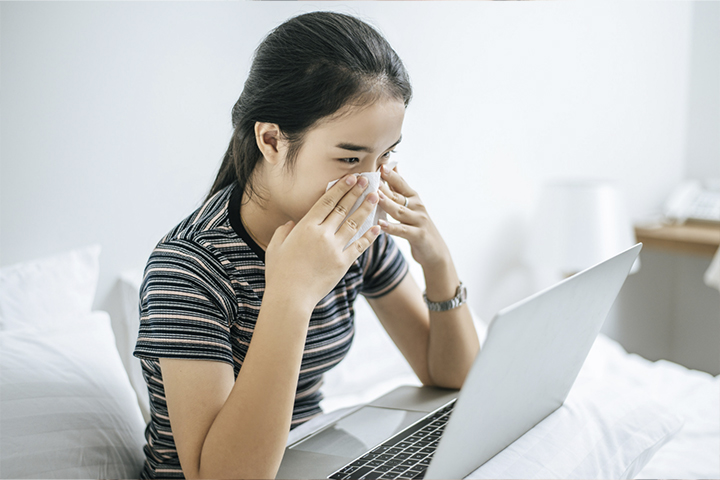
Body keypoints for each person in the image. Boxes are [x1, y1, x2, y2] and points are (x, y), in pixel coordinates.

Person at [133, 11, 480, 480]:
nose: (374, 184)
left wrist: (437, 262)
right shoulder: (190, 268)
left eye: (387, 154)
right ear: (272, 139)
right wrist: (291, 295)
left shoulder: (356, 229)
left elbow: (452, 378)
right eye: (350, 156)